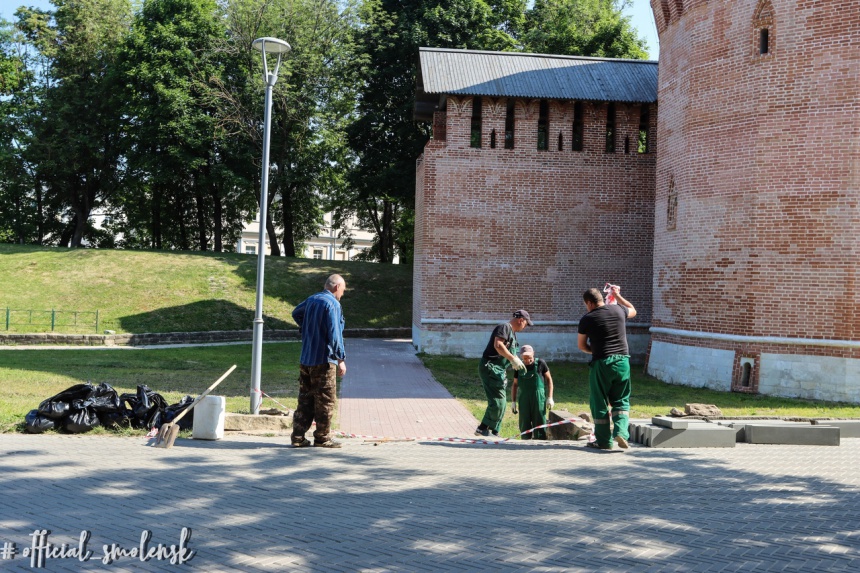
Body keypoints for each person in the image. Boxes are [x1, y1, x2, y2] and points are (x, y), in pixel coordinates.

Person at [290, 274, 347, 448]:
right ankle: (323, 438)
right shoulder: (332, 304)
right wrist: (341, 358)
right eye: (343, 290)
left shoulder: (312, 299)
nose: (342, 294)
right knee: (325, 400)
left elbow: (295, 313)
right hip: (324, 359)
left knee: (305, 399)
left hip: (306, 359)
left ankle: (298, 437)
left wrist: (307, 327)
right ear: (337, 287)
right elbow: (335, 334)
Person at [577, 285, 636, 450]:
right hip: (623, 362)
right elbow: (633, 309)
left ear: (589, 303)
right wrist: (617, 296)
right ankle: (622, 433)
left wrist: (594, 350)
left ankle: (604, 441)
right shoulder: (619, 310)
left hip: (602, 363)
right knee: (621, 400)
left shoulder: (587, 319)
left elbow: (581, 345)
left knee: (599, 401)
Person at [475, 310, 532, 437]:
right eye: (526, 324)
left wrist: (515, 362)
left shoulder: (513, 334)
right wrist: (513, 359)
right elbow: (498, 345)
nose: (525, 327)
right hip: (491, 367)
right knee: (498, 401)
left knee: (502, 402)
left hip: (499, 370)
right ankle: (482, 428)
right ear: (520, 320)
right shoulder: (504, 327)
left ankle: (495, 431)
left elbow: (507, 352)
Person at [511, 345, 555, 440]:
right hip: (524, 399)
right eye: (525, 358)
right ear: (521, 356)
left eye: (529, 357)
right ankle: (525, 443)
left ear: (533, 354)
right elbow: (515, 385)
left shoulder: (540, 363)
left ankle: (540, 444)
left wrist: (550, 397)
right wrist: (513, 402)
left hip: (538, 398)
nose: (527, 360)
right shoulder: (518, 366)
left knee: (539, 421)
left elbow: (549, 380)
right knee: (524, 423)